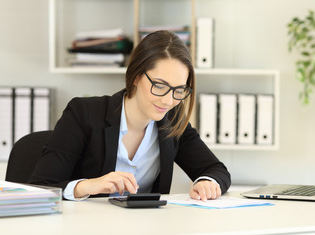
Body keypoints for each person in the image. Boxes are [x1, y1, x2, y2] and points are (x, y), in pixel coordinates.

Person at [29, 30, 231, 201]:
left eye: (179, 90)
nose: (168, 101)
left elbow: (216, 170)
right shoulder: (83, 113)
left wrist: (207, 182)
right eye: (160, 86)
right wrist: (88, 186)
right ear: (135, 76)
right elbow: (41, 187)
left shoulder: (172, 121)